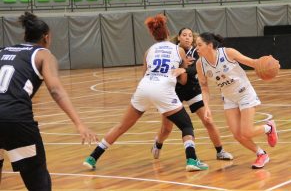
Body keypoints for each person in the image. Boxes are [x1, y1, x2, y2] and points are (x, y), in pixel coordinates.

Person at [83, 14, 208, 172]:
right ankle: (191, 159)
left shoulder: (149, 51)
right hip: (163, 89)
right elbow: (183, 80)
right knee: (186, 125)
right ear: (168, 32)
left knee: (121, 126)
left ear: (153, 34)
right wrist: (182, 70)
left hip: (144, 87)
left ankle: (92, 157)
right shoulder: (178, 50)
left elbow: (143, 75)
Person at [0, 12, 98, 190]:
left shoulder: (3, 51)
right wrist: (79, 123)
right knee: (38, 182)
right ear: (46, 37)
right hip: (15, 119)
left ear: (24, 36)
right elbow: (55, 90)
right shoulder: (43, 54)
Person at [195, 32, 278, 169]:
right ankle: (261, 154)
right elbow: (204, 87)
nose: (196, 48)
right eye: (196, 45)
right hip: (229, 98)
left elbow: (253, 63)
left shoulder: (228, 53)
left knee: (247, 132)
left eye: (199, 45)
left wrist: (271, 65)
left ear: (209, 45)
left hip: (244, 93)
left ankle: (269, 128)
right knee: (237, 135)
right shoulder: (200, 64)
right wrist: (207, 107)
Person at [152, 28, 233, 161]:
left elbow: (195, 68)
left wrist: (183, 68)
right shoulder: (172, 51)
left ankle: (220, 151)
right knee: (166, 128)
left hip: (192, 90)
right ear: (179, 37)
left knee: (208, 121)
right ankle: (158, 143)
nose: (187, 38)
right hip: (172, 91)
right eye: (184, 35)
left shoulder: (197, 51)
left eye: (190, 35)